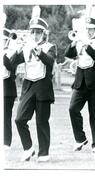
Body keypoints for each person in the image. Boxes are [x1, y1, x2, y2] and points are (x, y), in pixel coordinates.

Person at [13, 16, 57, 162]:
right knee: (19, 119)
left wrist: (37, 49)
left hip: (43, 88)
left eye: (38, 32)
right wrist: (15, 49)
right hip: (28, 87)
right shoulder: (26, 47)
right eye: (32, 32)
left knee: (41, 122)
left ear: (44, 33)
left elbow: (50, 61)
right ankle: (28, 148)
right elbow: (11, 64)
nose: (35, 35)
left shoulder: (50, 47)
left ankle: (44, 153)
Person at [65, 17, 95, 153]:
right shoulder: (80, 42)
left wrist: (86, 45)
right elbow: (68, 55)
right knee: (73, 109)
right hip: (80, 83)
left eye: (91, 29)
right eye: (87, 29)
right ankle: (80, 138)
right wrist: (73, 43)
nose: (88, 32)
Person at [3, 28, 18, 149]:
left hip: (7, 90)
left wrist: (3, 56)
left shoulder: (12, 52)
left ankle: (6, 142)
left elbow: (12, 69)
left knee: (5, 116)